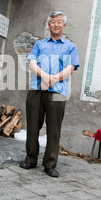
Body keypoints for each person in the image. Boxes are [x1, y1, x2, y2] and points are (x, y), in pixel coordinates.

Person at [19, 11, 80, 177]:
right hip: (37, 90)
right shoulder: (39, 44)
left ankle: (50, 164)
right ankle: (31, 159)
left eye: (59, 22)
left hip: (58, 91)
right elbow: (32, 63)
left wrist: (55, 79)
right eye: (53, 22)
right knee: (32, 125)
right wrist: (45, 76)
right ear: (49, 25)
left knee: (54, 129)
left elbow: (71, 68)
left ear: (64, 25)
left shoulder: (70, 47)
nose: (56, 24)